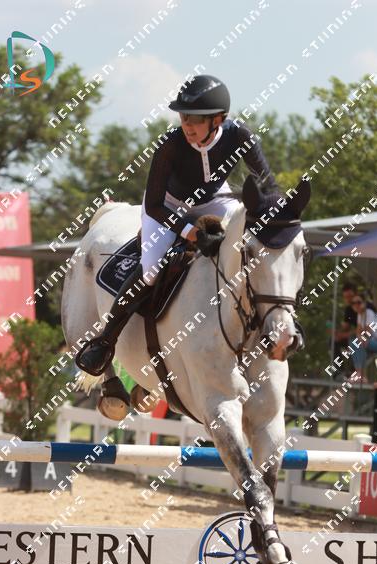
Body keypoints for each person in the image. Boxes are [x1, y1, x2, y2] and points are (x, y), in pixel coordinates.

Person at [77, 74, 278, 376]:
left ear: (218, 120)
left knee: (250, 243)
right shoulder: (170, 144)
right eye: (184, 117)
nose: (187, 125)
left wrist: (278, 219)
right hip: (167, 206)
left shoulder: (239, 136)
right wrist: (189, 232)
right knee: (150, 270)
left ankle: (274, 317)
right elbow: (154, 205)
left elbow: (269, 187)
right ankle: (106, 340)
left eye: (195, 119)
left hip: (215, 200)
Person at [332, 283, 376, 362]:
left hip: (370, 337)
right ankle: (339, 367)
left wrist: (345, 335)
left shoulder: (367, 309)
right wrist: (337, 333)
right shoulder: (349, 309)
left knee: (353, 341)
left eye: (350, 296)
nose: (349, 300)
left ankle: (357, 368)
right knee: (333, 341)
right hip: (358, 336)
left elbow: (367, 330)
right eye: (346, 297)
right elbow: (346, 327)